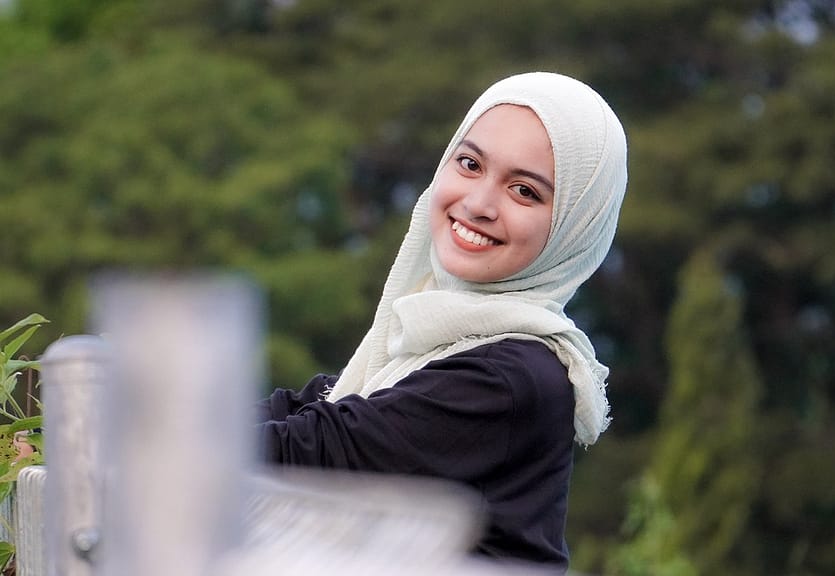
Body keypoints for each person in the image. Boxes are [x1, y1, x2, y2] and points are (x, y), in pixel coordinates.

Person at [256, 71, 628, 572]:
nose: (477, 204)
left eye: (524, 191)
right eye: (470, 164)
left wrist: (153, 431)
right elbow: (317, 404)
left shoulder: (511, 378)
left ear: (575, 225)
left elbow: (316, 453)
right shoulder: (434, 339)